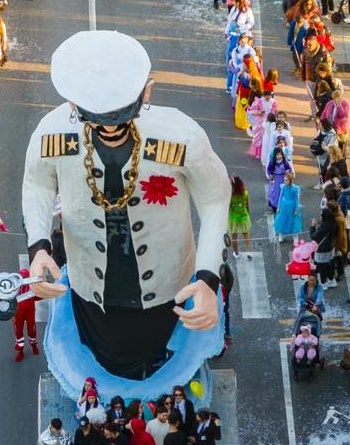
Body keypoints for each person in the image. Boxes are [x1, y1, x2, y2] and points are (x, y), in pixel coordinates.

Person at [21, 30, 232, 387]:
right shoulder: (51, 134)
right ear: (73, 106)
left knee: (165, 356)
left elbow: (215, 198)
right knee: (101, 356)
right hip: (93, 290)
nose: (111, 128)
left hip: (168, 286)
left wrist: (208, 278)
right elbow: (37, 184)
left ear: (147, 92)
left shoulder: (181, 135)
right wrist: (39, 248)